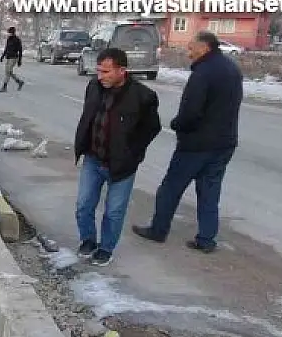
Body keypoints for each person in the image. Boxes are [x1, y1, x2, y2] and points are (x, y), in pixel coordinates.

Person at [133, 30, 243, 254]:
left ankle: (158, 230)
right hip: (225, 143)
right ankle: (206, 239)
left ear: (205, 48)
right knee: (210, 192)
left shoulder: (203, 73)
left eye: (191, 48)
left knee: (170, 188)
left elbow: (191, 112)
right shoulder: (232, 68)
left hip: (197, 144)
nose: (188, 53)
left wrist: (176, 124)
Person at [72, 48, 162, 266]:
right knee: (84, 205)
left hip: (121, 166)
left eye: (106, 72)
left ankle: (106, 248)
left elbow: (152, 128)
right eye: (98, 70)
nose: (100, 76)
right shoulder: (94, 87)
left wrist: (133, 155)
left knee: (114, 211)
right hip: (93, 159)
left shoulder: (143, 96)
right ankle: (88, 240)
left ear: (122, 71)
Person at [0, 26, 25, 92]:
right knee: (8, 72)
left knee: (8, 72)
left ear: (13, 32)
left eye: (10, 32)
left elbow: (20, 51)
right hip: (8, 57)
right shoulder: (9, 39)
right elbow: (6, 48)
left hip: (14, 58)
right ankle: (19, 82)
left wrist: (19, 60)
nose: (9, 34)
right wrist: (2, 57)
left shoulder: (17, 40)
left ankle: (4, 87)